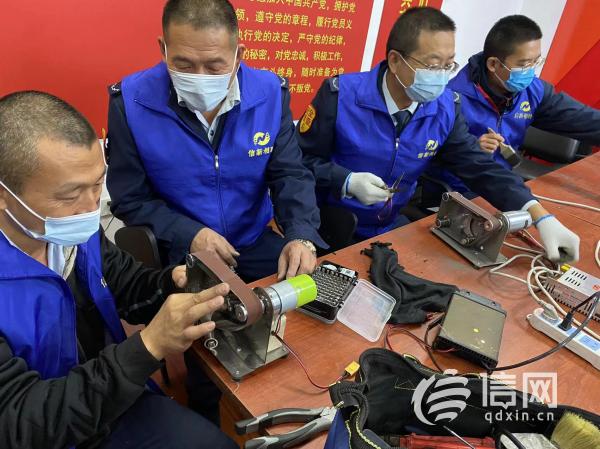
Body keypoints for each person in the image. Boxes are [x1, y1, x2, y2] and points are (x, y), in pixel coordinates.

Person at [0, 91, 237, 449]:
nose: (90, 208)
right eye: (70, 196)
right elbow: (21, 424)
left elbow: (127, 285)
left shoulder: (73, 235)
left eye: (98, 184)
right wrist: (148, 347)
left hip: (111, 399)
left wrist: (171, 284)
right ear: (4, 195)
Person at [296, 7, 579, 263]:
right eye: (432, 66)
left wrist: (540, 216)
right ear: (395, 61)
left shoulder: (445, 108)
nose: (441, 77)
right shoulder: (341, 96)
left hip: (388, 226)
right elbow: (299, 162)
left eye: (448, 66)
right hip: (325, 228)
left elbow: (480, 167)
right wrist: (345, 180)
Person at [106, 0, 325, 284]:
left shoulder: (269, 94)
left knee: (310, 294)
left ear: (238, 55)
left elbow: (290, 174)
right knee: (209, 311)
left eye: (214, 66)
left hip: (252, 241)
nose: (199, 78)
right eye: (184, 65)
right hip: (181, 249)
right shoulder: (131, 103)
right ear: (163, 49)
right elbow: (130, 199)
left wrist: (301, 235)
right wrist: (189, 234)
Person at [426, 14, 600, 195]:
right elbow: (422, 155)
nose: (530, 71)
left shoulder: (532, 91)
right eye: (524, 64)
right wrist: (468, 150)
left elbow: (583, 120)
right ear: (493, 64)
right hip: (454, 193)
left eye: (536, 61)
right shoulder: (451, 99)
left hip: (502, 187)